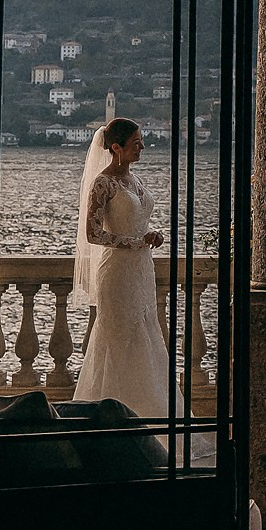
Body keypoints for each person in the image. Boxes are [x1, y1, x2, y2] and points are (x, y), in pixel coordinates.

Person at [71, 117, 170, 416]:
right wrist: (135, 242)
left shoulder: (135, 180)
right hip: (116, 272)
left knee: (146, 332)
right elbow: (93, 233)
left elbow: (138, 221)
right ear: (116, 147)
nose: (142, 147)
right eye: (136, 142)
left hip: (141, 270)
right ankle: (112, 411)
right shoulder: (103, 183)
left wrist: (152, 235)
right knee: (117, 336)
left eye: (141, 141)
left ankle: (151, 409)